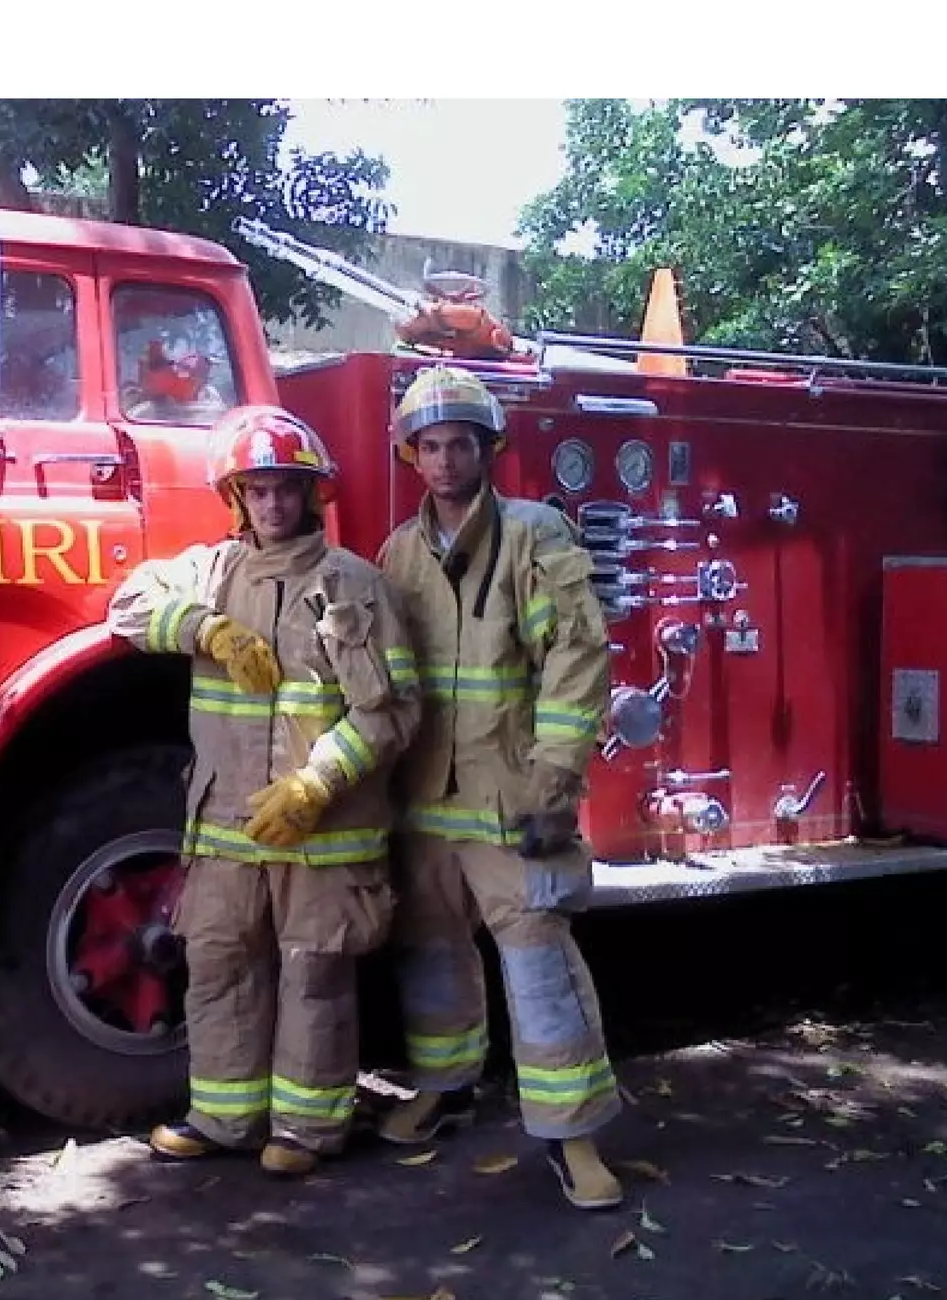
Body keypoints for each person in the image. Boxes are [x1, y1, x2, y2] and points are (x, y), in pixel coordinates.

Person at [108, 405, 420, 1176]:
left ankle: (307, 1131)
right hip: (225, 828)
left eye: (287, 488)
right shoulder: (210, 574)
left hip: (324, 829)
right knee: (218, 965)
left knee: (314, 974)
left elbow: (392, 713)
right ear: (236, 499)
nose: (273, 504)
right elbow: (126, 608)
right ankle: (224, 1118)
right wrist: (206, 629)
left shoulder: (353, 585)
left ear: (313, 494)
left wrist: (317, 784)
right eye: (258, 490)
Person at [374, 365, 625, 1210]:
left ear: (488, 450)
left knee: (539, 965)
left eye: (460, 445)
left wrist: (554, 778)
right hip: (424, 800)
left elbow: (576, 659)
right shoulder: (397, 554)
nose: (445, 460)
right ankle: (444, 1089)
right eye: (431, 446)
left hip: (512, 796)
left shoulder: (535, 536)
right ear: (411, 456)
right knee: (430, 950)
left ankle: (571, 1134)